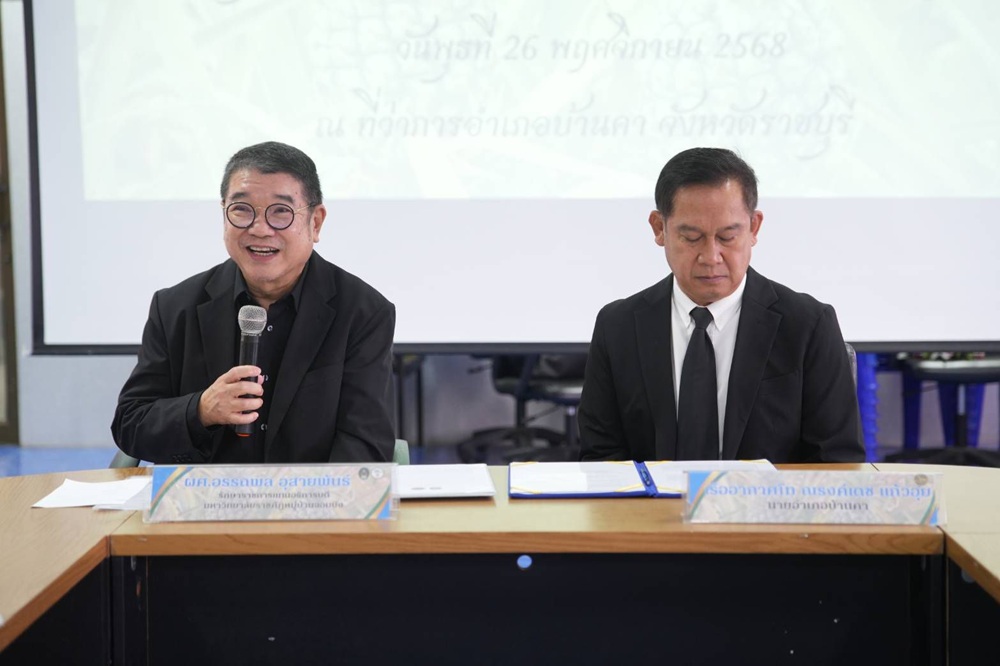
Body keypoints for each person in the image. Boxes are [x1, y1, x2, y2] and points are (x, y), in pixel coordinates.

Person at [112, 141, 395, 463]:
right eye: (242, 210)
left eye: (280, 212)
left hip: (311, 493)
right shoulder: (175, 307)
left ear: (315, 222)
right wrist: (200, 410)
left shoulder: (363, 312)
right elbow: (130, 425)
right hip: (204, 493)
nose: (259, 229)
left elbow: (366, 445)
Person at [578, 147, 863, 463]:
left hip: (769, 497)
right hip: (649, 498)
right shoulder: (618, 327)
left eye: (727, 237)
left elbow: (837, 463)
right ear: (659, 228)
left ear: (754, 228)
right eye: (692, 237)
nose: (711, 257)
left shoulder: (808, 325)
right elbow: (600, 458)